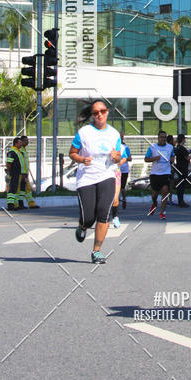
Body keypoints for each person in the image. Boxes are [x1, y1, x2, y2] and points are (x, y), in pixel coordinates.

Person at [69, 99, 121, 264]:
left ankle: (96, 251)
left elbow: (118, 157)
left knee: (103, 213)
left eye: (103, 111)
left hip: (107, 175)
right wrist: (82, 159)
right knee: (89, 217)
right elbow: (72, 153)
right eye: (96, 113)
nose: (100, 115)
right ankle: (83, 226)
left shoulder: (114, 134)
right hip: (86, 177)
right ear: (92, 116)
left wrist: (115, 158)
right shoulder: (84, 132)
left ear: (107, 112)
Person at [145, 130, 174, 219]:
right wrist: (155, 158)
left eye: (165, 137)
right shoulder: (152, 147)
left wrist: (172, 159)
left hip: (166, 173)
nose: (163, 139)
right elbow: (146, 159)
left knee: (165, 191)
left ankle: (162, 212)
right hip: (155, 173)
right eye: (161, 137)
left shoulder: (170, 147)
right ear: (158, 138)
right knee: (154, 194)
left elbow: (172, 155)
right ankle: (154, 203)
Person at [18, 135, 39, 209]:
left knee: (26, 189)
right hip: (21, 173)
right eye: (26, 141)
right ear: (22, 141)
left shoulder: (24, 150)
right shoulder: (20, 150)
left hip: (25, 173)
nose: (27, 142)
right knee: (22, 189)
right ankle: (21, 204)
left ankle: (30, 203)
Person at [5, 136, 24, 211]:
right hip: (14, 173)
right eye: (20, 142)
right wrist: (9, 172)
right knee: (12, 189)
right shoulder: (12, 152)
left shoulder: (18, 151)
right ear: (15, 143)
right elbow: (9, 163)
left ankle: (13, 205)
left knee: (15, 189)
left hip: (18, 173)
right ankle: (10, 205)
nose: (21, 144)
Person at [174, 133, 191, 206]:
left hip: (178, 167)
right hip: (183, 168)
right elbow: (187, 158)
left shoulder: (177, 147)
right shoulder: (182, 148)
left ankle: (180, 200)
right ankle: (181, 202)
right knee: (182, 185)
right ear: (183, 139)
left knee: (180, 185)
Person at [119, 135, 132, 209]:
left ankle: (124, 199)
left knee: (122, 187)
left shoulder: (125, 147)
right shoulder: (113, 145)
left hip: (124, 169)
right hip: (115, 169)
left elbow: (130, 158)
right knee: (115, 187)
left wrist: (123, 158)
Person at [166, 134, 176, 204]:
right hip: (170, 167)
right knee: (170, 184)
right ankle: (170, 199)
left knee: (166, 184)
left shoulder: (165, 147)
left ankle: (166, 199)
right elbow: (172, 159)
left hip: (165, 167)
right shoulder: (171, 147)